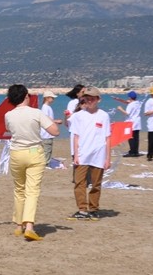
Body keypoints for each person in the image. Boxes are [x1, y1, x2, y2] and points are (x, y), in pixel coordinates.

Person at [3, 84, 61, 241]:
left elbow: (9, 129)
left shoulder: (8, 115)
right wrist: (47, 119)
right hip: (34, 152)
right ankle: (29, 226)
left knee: (19, 190)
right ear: (26, 96)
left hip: (16, 153)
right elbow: (55, 131)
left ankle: (18, 225)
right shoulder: (36, 112)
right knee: (32, 191)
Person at [68, 87, 111, 220]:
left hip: (98, 154)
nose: (90, 100)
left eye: (93, 98)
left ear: (98, 99)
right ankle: (82, 209)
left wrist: (107, 158)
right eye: (87, 98)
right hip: (82, 154)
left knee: (96, 184)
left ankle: (93, 209)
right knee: (79, 182)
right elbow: (76, 136)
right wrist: (75, 155)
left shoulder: (104, 115)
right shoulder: (78, 116)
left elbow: (107, 138)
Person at [112, 90, 143, 157]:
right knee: (136, 138)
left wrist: (120, 109)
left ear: (130, 97)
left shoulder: (131, 105)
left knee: (130, 137)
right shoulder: (137, 103)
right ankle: (135, 151)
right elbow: (127, 102)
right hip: (137, 122)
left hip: (131, 123)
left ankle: (132, 152)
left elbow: (127, 113)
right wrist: (119, 99)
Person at [39, 90, 59, 164]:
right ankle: (45, 163)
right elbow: (46, 118)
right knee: (47, 149)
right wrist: (56, 121)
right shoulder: (45, 107)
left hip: (48, 134)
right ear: (47, 98)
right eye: (52, 97)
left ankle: (47, 162)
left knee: (48, 149)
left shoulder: (47, 107)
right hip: (46, 134)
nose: (53, 99)